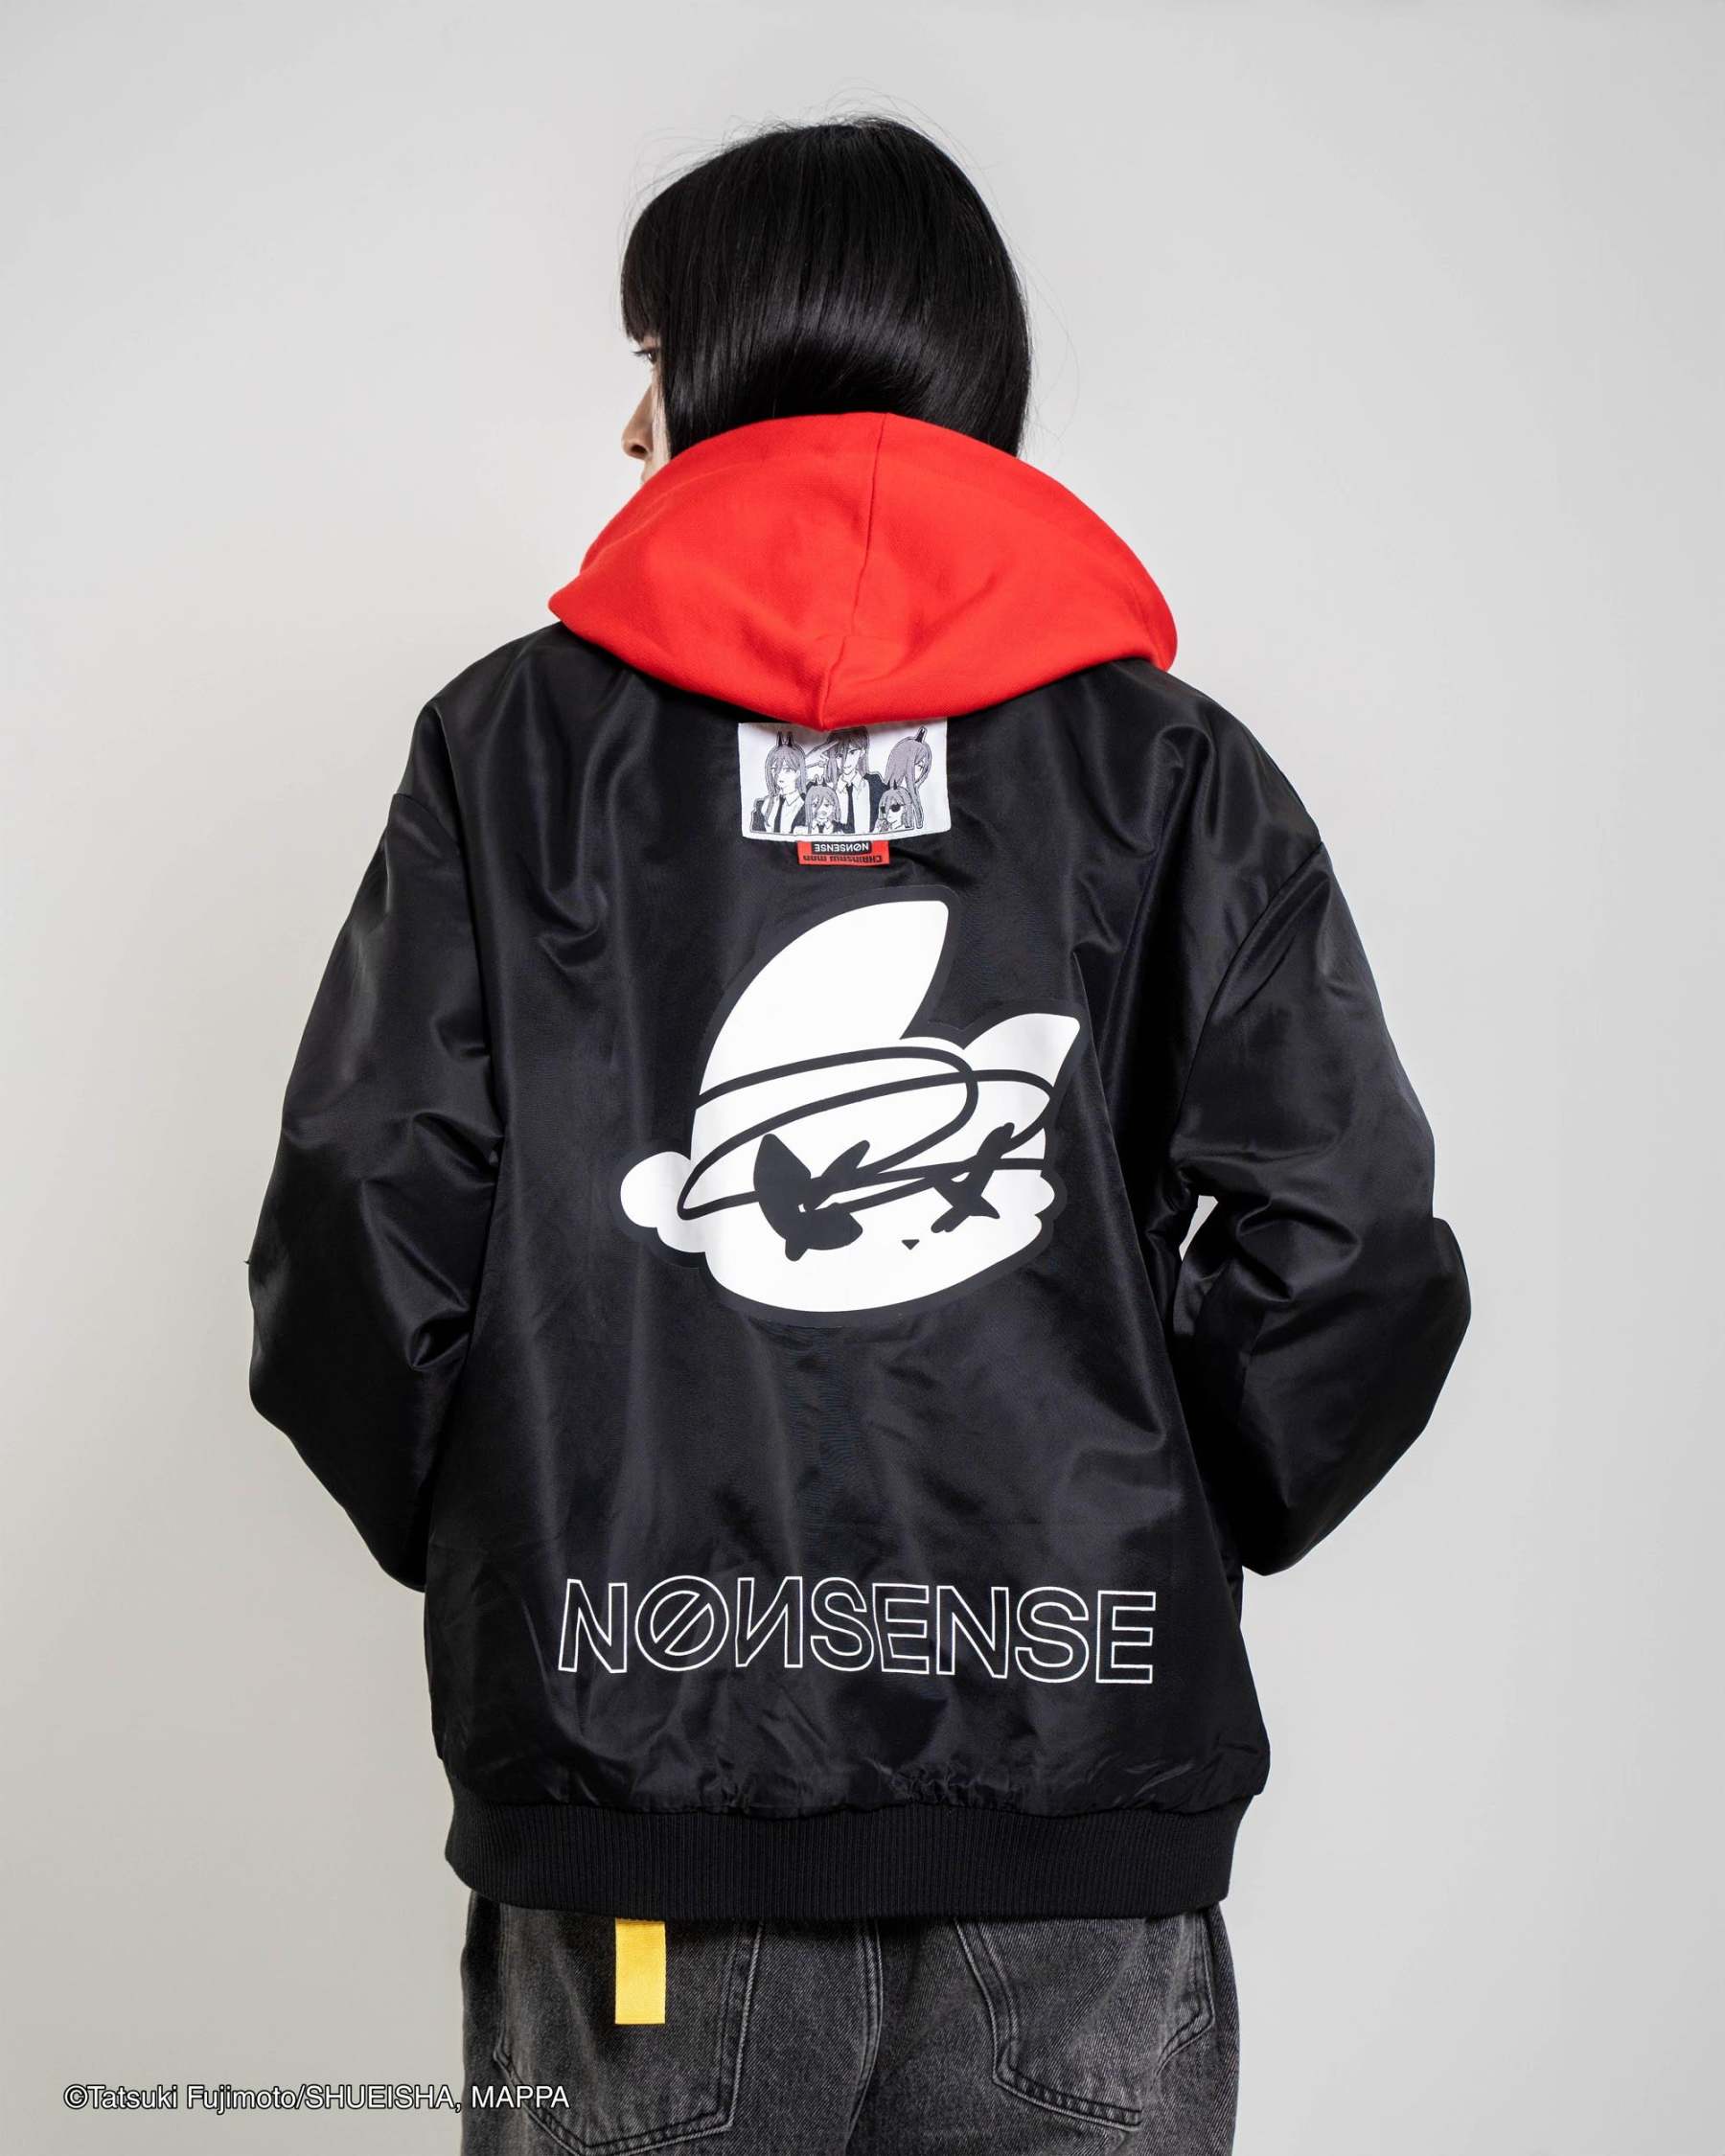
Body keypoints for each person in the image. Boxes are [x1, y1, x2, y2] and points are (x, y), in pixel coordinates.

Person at [245, 114, 1470, 2154]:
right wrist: (1163, 1514)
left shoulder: (508, 751)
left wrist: (528, 1536)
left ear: (738, 353)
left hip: (638, 1818)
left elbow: (362, 1222)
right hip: (1078, 1821)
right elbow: (1346, 1247)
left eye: (650, 356)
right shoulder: (1168, 767)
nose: (631, 423)